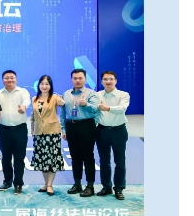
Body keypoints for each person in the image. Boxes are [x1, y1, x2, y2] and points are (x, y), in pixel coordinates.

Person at [60, 68, 99, 197]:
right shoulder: (66, 94)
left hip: (87, 125)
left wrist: (85, 104)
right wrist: (63, 129)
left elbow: (96, 109)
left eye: (80, 78)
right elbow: (63, 113)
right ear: (71, 79)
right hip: (71, 126)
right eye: (75, 78)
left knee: (88, 156)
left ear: (85, 79)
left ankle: (90, 186)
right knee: (75, 156)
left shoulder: (91, 94)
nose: (77, 80)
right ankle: (77, 184)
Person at [96, 71, 130, 200]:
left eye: (111, 79)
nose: (108, 81)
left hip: (118, 131)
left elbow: (122, 109)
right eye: (105, 79)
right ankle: (106, 187)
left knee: (119, 161)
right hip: (102, 131)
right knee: (104, 161)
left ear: (116, 81)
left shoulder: (123, 95)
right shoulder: (97, 95)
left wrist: (107, 108)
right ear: (101, 82)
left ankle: (119, 188)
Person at [0, 70, 31, 195]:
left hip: (20, 129)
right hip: (4, 129)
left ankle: (18, 183)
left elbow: (26, 101)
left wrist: (24, 106)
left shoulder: (22, 92)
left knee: (19, 158)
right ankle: (7, 181)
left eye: (12, 77)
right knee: (5, 158)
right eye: (7, 78)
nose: (9, 80)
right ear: (2, 80)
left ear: (15, 79)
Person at [30, 75, 66, 196]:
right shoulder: (34, 98)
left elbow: (62, 104)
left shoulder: (55, 97)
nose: (44, 86)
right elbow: (33, 116)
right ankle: (46, 183)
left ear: (50, 86)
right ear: (38, 85)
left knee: (52, 159)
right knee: (42, 159)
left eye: (47, 84)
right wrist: (32, 129)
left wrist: (62, 102)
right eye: (42, 84)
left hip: (52, 133)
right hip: (39, 133)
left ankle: (50, 185)